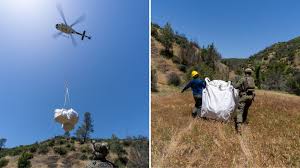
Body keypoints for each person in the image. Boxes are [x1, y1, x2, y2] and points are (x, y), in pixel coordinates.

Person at [233, 68, 256, 134]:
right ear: (250, 73)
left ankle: (239, 128)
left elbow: (236, 86)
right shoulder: (252, 79)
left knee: (239, 111)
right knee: (246, 110)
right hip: (251, 97)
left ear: (245, 73)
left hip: (244, 96)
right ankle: (244, 122)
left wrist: (232, 83)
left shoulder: (243, 79)